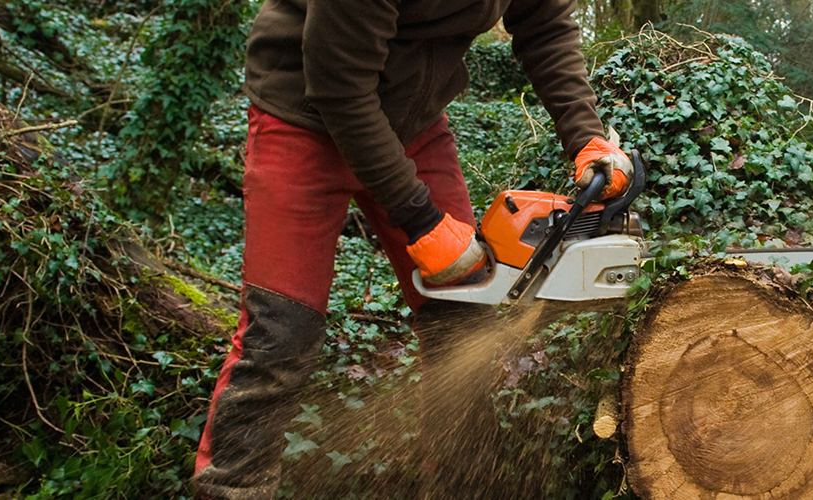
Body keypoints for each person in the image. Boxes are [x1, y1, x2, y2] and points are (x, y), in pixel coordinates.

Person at [191, 0, 632, 497]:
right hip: (305, 119)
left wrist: (586, 137)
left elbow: (544, 22)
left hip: (413, 127)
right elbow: (339, 83)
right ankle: (234, 488)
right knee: (280, 330)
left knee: (464, 321)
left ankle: (458, 489)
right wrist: (419, 219)